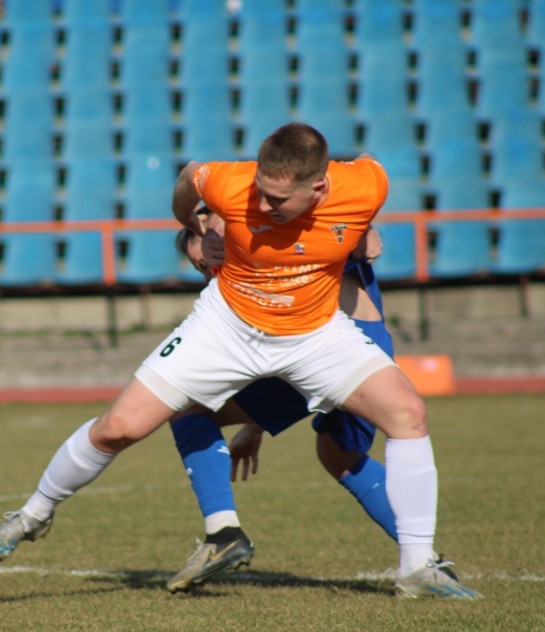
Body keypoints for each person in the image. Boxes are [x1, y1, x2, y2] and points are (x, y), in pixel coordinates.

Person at [0, 122, 481, 599]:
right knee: (119, 427)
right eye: (260, 189)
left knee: (407, 415)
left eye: (277, 198)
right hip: (227, 328)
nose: (263, 203)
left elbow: (367, 177)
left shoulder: (365, 185)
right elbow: (187, 176)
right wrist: (188, 218)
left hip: (316, 333)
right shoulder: (229, 183)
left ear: (319, 187)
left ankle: (417, 566)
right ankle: (33, 515)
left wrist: (363, 228)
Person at [164, 208, 402, 592]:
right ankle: (425, 560)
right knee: (340, 454)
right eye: (202, 268)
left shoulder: (280, 239)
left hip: (336, 346)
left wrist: (365, 231)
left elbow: (346, 209)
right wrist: (255, 425)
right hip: (369, 343)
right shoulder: (250, 273)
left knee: (188, 410)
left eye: (213, 256)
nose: (211, 272)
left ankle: (224, 534)